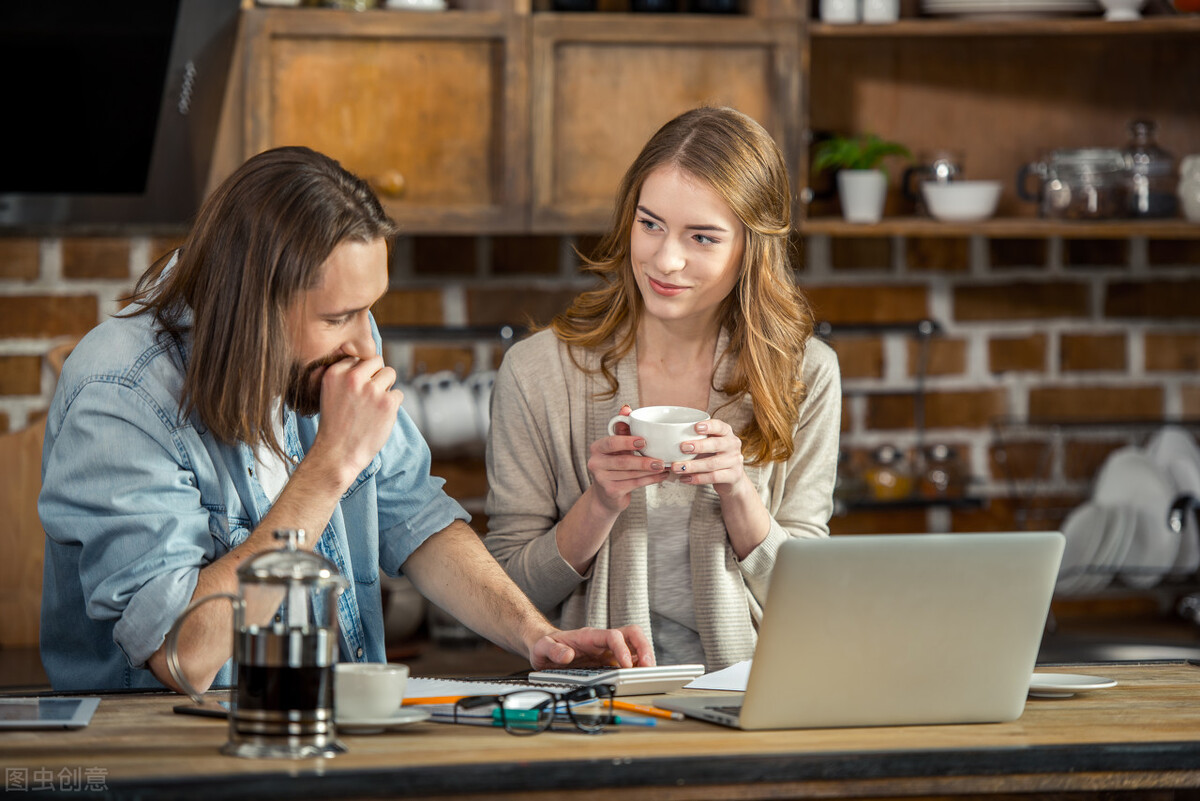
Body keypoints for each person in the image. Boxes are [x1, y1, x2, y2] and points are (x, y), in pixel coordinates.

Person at [38, 146, 652, 693]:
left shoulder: (332, 343)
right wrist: (331, 464)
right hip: (168, 753)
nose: (366, 346)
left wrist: (538, 638)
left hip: (334, 726)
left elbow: (414, 518)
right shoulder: (120, 393)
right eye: (340, 318)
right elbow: (183, 657)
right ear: (255, 309)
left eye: (370, 312)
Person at [484, 107, 842, 672]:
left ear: (752, 247)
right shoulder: (536, 373)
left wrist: (737, 492)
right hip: (594, 698)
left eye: (701, 237)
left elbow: (811, 599)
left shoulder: (805, 374)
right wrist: (598, 504)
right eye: (650, 224)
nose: (665, 260)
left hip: (751, 692)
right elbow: (507, 595)